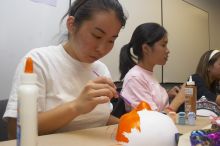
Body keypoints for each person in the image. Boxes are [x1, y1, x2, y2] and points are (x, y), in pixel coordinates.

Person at [3, 0, 127, 139]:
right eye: (97, 36)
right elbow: (15, 130)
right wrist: (76, 107)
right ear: (72, 24)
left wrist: (135, 123)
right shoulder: (38, 61)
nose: (102, 49)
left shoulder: (100, 68)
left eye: (111, 40)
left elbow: (100, 119)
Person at [119, 22, 185, 113]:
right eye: (163, 45)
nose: (168, 51)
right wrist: (179, 99)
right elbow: (152, 120)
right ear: (146, 48)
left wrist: (167, 95)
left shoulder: (148, 74)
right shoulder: (135, 78)